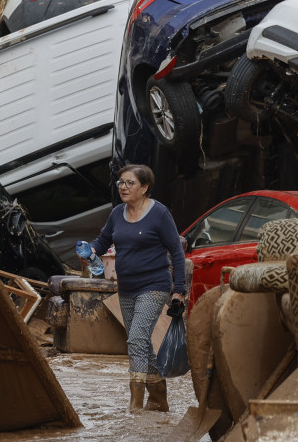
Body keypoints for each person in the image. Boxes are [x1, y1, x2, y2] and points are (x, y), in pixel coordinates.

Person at [83, 164, 187, 413]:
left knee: (138, 338)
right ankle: (159, 396)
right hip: (126, 287)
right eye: (120, 183)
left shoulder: (159, 213)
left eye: (129, 183)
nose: (123, 187)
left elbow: (176, 251)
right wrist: (92, 249)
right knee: (141, 344)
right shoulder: (117, 213)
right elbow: (104, 239)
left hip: (154, 286)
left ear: (145, 187)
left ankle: (135, 403)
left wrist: (179, 290)